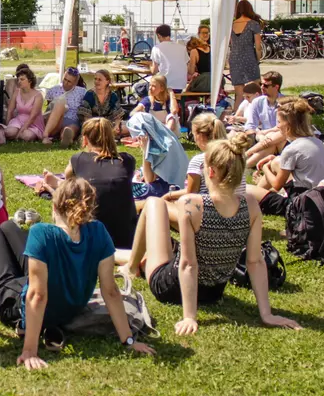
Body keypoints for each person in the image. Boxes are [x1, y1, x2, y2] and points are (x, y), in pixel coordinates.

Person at [121, 134, 302, 336]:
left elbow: (189, 264)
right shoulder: (250, 204)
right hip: (213, 293)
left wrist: (189, 316)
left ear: (211, 171)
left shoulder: (191, 204)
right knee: (169, 244)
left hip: (171, 287)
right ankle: (131, 262)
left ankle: (131, 267)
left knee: (154, 203)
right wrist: (266, 313)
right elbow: (255, 262)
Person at [0, 178, 156, 369]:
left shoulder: (42, 233)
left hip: (17, 306)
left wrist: (30, 350)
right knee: (7, 227)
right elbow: (111, 291)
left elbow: (37, 296)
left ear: (54, 206)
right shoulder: (99, 231)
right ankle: (8, 229)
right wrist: (128, 340)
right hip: (65, 307)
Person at [37, 118, 137, 248]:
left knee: (68, 194)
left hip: (89, 237)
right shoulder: (128, 160)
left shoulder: (78, 159)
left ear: (85, 139)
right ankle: (57, 183)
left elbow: (70, 182)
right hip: (126, 238)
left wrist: (56, 187)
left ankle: (56, 185)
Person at [253, 99, 324, 215]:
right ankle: (260, 196)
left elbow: (276, 185)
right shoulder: (317, 142)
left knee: (248, 190)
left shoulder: (291, 149)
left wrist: (265, 167)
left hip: (300, 205)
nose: (277, 126)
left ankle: (253, 201)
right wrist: (272, 160)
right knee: (276, 161)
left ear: (288, 125)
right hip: (323, 200)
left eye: (279, 122)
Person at [242, 72, 286, 169]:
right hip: (263, 138)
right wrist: (259, 136)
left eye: (266, 85)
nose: (262, 87)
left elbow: (281, 128)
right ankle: (244, 166)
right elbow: (250, 126)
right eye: (261, 84)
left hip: (280, 140)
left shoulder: (284, 103)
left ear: (276, 87)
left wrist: (264, 134)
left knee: (271, 142)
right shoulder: (257, 102)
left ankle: (243, 166)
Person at [229, 0, 264, 108]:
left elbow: (231, 43)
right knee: (254, 91)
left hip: (234, 58)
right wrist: (258, 58)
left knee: (239, 94)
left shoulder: (231, 25)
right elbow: (258, 46)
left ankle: (236, 118)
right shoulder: (253, 24)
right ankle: (256, 115)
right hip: (249, 57)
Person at [43, 67, 87, 146]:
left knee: (69, 129)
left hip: (72, 120)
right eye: (65, 79)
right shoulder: (53, 90)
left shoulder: (82, 92)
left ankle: (66, 138)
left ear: (75, 83)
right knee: (61, 102)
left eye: (69, 82)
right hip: (55, 121)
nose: (65, 83)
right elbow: (48, 109)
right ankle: (45, 136)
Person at [5, 68, 45, 142]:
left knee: (26, 136)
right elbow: (10, 110)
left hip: (33, 123)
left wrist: (21, 132)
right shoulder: (17, 91)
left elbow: (33, 116)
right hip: (19, 120)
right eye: (18, 80)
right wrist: (8, 125)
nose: (19, 82)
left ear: (30, 81)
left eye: (22, 79)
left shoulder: (38, 95)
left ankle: (24, 134)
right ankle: (15, 132)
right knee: (9, 132)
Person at [149, 24, 187, 93]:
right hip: (180, 86)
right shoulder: (182, 48)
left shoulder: (156, 48)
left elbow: (154, 71)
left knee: (141, 87)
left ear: (159, 35)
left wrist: (150, 67)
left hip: (164, 85)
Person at [186, 25, 213, 93]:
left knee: (188, 89)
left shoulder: (194, 51)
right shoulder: (214, 49)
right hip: (214, 81)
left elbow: (191, 71)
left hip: (203, 81)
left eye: (207, 32)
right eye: (203, 32)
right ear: (199, 34)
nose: (206, 34)